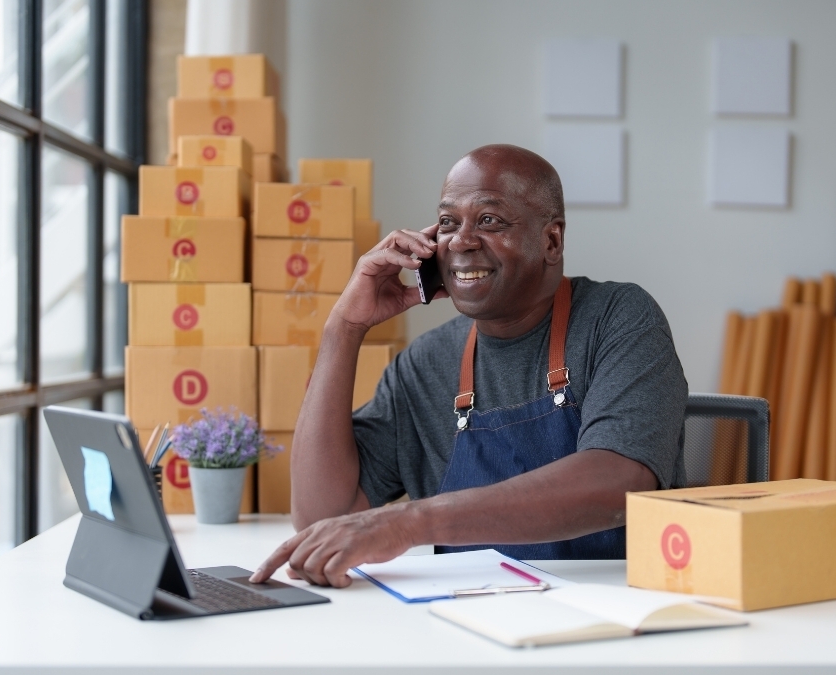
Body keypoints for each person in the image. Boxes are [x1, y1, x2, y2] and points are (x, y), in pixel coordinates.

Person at [251, 144, 688, 588]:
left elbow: (617, 481)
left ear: (551, 241)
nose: (461, 240)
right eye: (447, 223)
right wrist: (343, 329)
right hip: (471, 617)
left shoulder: (618, 318)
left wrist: (411, 521)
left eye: (489, 221)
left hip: (608, 612)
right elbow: (320, 516)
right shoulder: (425, 365)